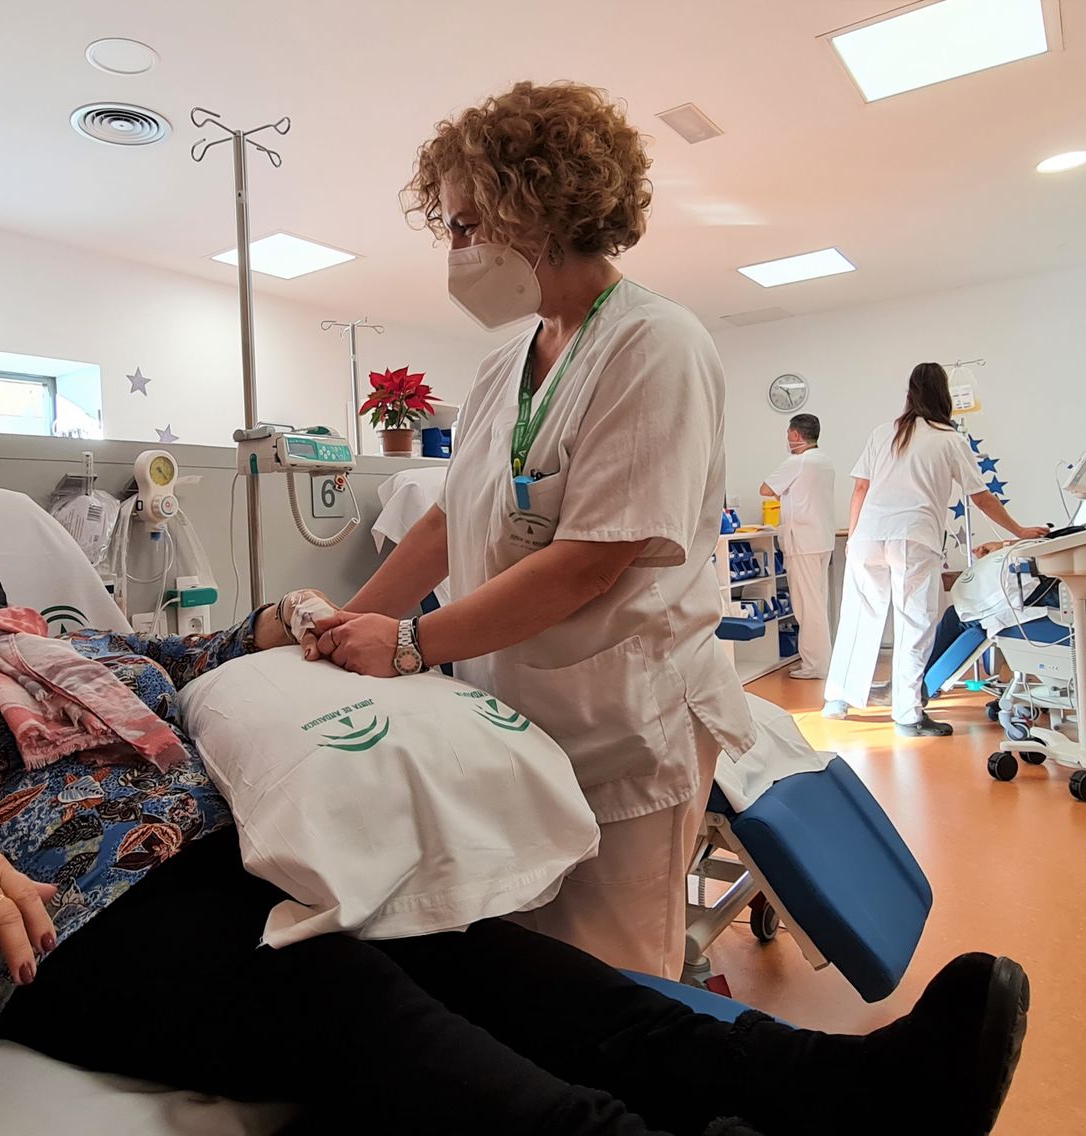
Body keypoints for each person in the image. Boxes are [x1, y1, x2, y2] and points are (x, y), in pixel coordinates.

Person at [0, 501, 1033, 1136]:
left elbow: (226, 644)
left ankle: (852, 1093)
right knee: (363, 1015)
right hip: (83, 929)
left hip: (262, 868)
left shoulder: (100, 648)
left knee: (523, 970)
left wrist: (301, 620)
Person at [308, 81, 756, 981]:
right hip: (514, 725)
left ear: (541, 210)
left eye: (469, 225)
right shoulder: (506, 359)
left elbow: (589, 563)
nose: (456, 248)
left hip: (623, 727)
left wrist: (407, 644)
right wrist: (334, 629)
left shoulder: (654, 345)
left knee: (615, 983)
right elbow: (445, 518)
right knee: (533, 977)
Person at [823, 363, 1047, 737]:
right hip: (913, 537)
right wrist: (1019, 529)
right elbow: (980, 496)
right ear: (943, 395)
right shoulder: (948, 438)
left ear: (909, 393)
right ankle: (907, 715)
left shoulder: (884, 432)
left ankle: (837, 700)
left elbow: (860, 489)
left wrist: (856, 537)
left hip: (867, 537)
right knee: (914, 623)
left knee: (858, 617)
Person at [924, 452, 1086, 694]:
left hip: (1079, 600)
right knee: (985, 586)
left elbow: (1082, 555)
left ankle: (921, 686)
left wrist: (1014, 549)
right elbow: (1082, 547)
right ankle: (924, 679)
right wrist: (1008, 545)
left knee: (961, 612)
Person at [760, 413, 836, 679]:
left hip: (802, 541)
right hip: (821, 540)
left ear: (795, 435)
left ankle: (816, 665)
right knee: (817, 601)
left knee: (807, 606)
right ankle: (817, 660)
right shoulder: (825, 461)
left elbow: (766, 489)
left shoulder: (798, 461)